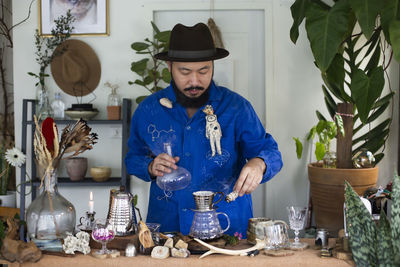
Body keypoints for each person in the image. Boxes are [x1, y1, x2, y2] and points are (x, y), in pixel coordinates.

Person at [125, 23, 282, 237]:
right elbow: (133, 158)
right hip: (168, 228)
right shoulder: (149, 110)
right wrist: (151, 166)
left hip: (227, 229)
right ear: (169, 66)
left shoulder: (236, 107)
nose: (194, 81)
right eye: (185, 71)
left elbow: (270, 151)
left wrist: (259, 163)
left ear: (213, 66)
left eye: (204, 70)